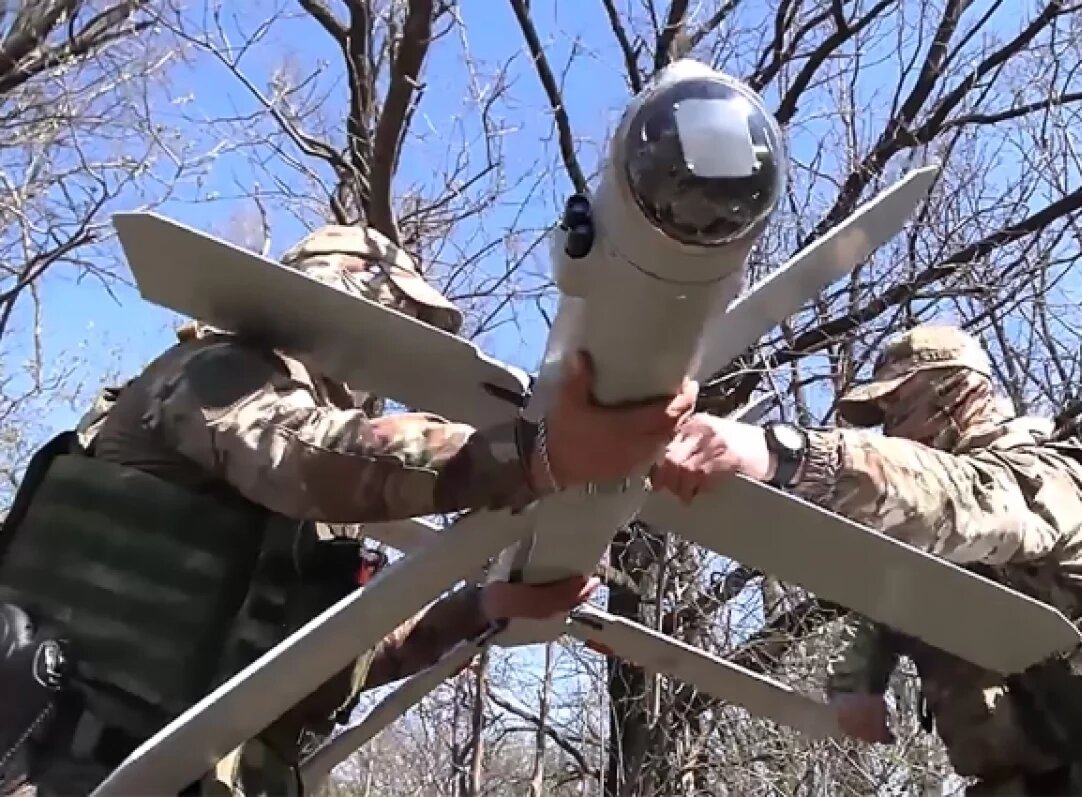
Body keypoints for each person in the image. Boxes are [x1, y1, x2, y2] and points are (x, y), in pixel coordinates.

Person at [0, 224, 698, 796]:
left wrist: (477, 609)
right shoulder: (214, 373)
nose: (401, 347)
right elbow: (306, 453)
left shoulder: (298, 514)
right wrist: (535, 454)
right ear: (337, 302)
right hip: (64, 767)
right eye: (399, 317)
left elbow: (336, 660)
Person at [649, 323, 1082, 795]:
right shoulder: (938, 532)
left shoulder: (1047, 478)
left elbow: (961, 500)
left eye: (900, 405)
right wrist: (856, 685)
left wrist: (787, 452)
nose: (890, 427)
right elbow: (895, 593)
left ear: (954, 393)